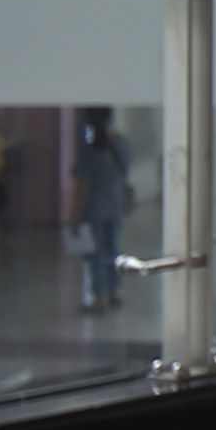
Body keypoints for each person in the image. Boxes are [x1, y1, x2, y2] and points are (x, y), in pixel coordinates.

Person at [72, 108, 136, 313]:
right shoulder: (122, 145)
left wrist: (74, 217)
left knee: (96, 254)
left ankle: (98, 296)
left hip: (95, 209)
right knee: (112, 249)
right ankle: (114, 291)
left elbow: (82, 188)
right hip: (115, 206)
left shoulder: (91, 150)